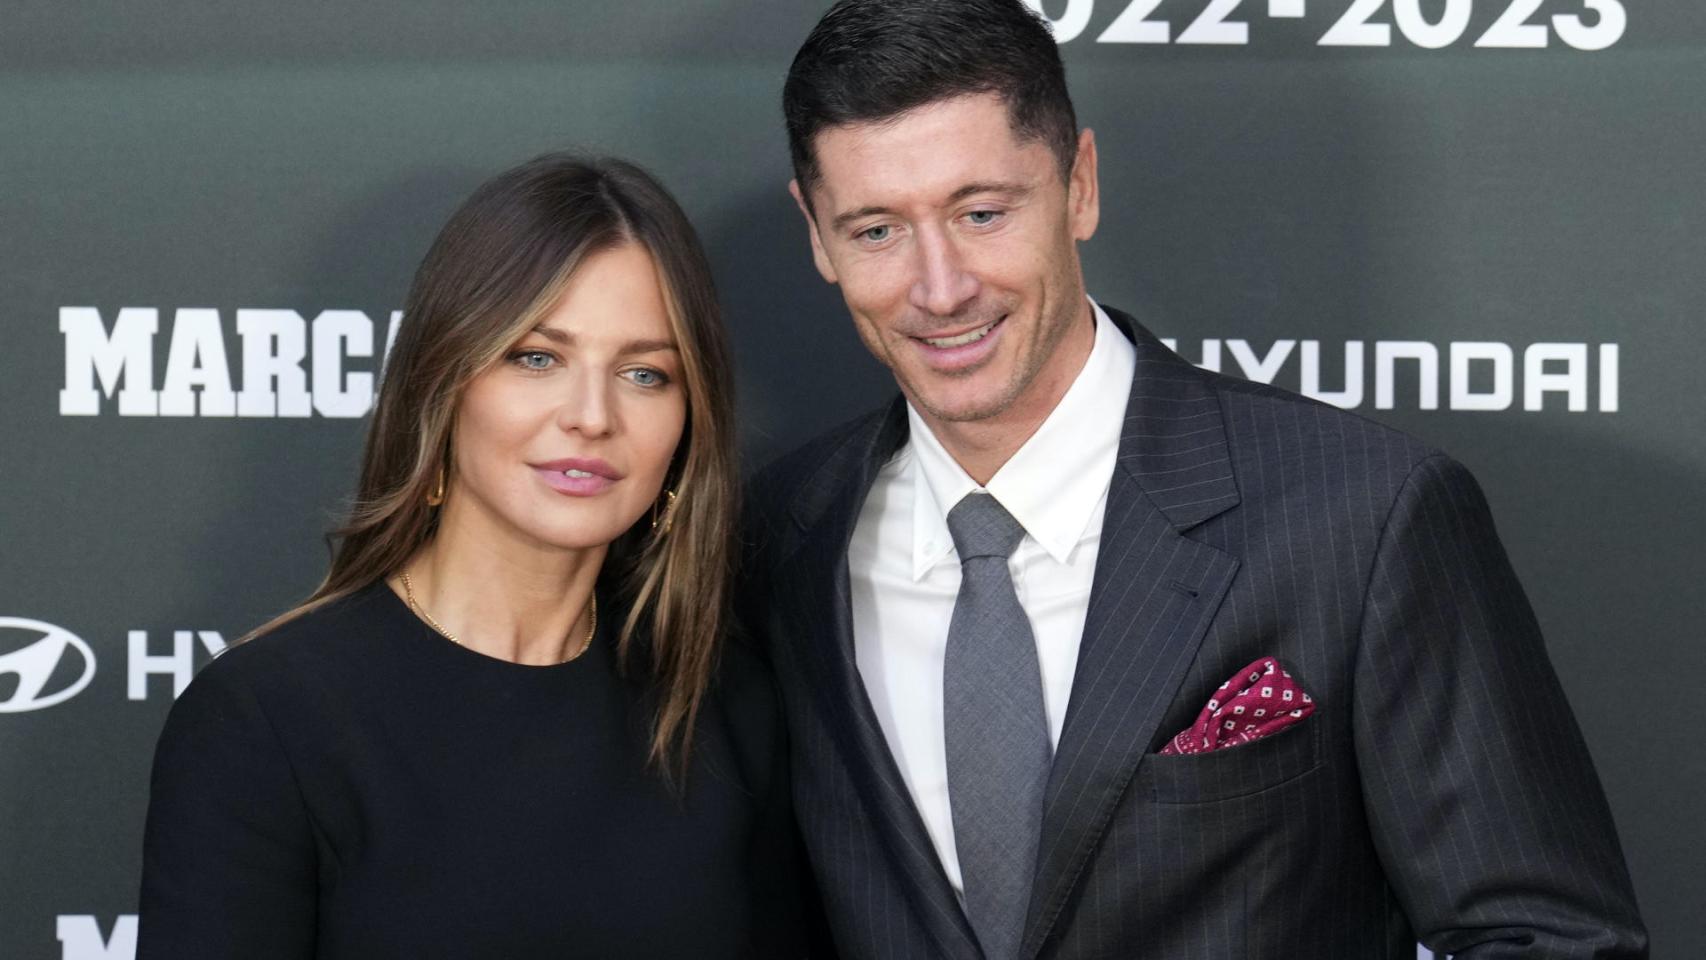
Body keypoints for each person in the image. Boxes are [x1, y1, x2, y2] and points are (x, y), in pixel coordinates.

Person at [738, 2, 1648, 958]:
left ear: (1080, 185)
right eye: (877, 229)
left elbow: (1548, 938)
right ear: (817, 235)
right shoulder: (776, 542)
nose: (941, 287)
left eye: (982, 213)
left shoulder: (1364, 517)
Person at [138, 154, 809, 959]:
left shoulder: (726, 705)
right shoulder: (267, 721)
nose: (591, 416)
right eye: (537, 358)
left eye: (644, 373)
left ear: (688, 422)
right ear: (444, 381)